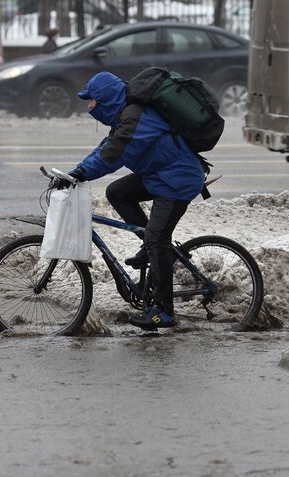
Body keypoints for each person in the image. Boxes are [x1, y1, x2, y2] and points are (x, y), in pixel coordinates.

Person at [67, 71, 206, 330]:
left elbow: (113, 154)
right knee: (117, 192)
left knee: (158, 238)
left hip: (177, 181)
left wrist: (83, 173)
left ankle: (164, 311)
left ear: (105, 98)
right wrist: (76, 171)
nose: (89, 106)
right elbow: (106, 146)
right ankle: (149, 244)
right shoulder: (125, 116)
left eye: (92, 100)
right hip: (159, 176)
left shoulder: (134, 118)